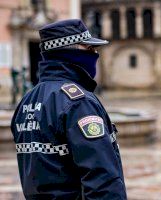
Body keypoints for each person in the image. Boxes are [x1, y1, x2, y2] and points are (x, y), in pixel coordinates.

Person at [10, 19, 127, 200]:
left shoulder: (27, 100)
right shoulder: (78, 103)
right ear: (69, 52)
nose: (95, 55)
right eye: (89, 49)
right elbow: (102, 179)